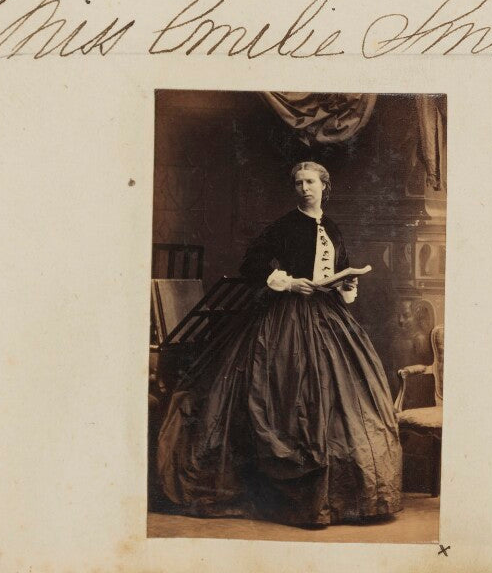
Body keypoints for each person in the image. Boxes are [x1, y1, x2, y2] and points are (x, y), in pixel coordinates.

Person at [157, 161, 402, 527]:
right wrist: (289, 283)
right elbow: (252, 263)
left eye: (311, 182)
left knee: (346, 397)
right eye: (299, 183)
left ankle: (346, 498)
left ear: (324, 186)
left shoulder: (332, 227)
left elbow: (340, 266)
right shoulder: (285, 225)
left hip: (328, 314)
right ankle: (290, 493)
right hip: (287, 317)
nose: (305, 188)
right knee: (287, 391)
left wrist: (347, 283)